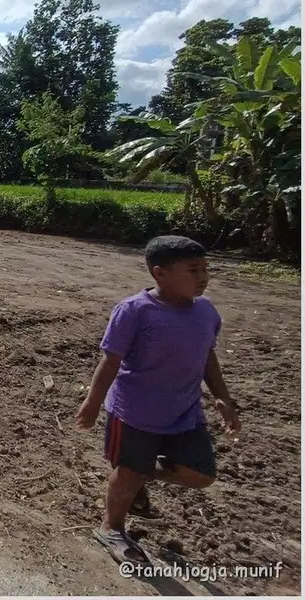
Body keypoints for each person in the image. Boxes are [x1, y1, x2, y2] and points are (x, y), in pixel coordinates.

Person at [75, 235, 240, 566]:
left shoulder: (206, 311)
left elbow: (207, 356)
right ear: (160, 274)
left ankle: (136, 475)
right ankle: (112, 527)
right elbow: (110, 361)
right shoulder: (135, 311)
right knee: (128, 476)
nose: (204, 277)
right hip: (135, 412)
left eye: (206, 269)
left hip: (185, 411)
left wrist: (222, 396)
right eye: (193, 270)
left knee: (202, 473)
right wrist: (92, 404)